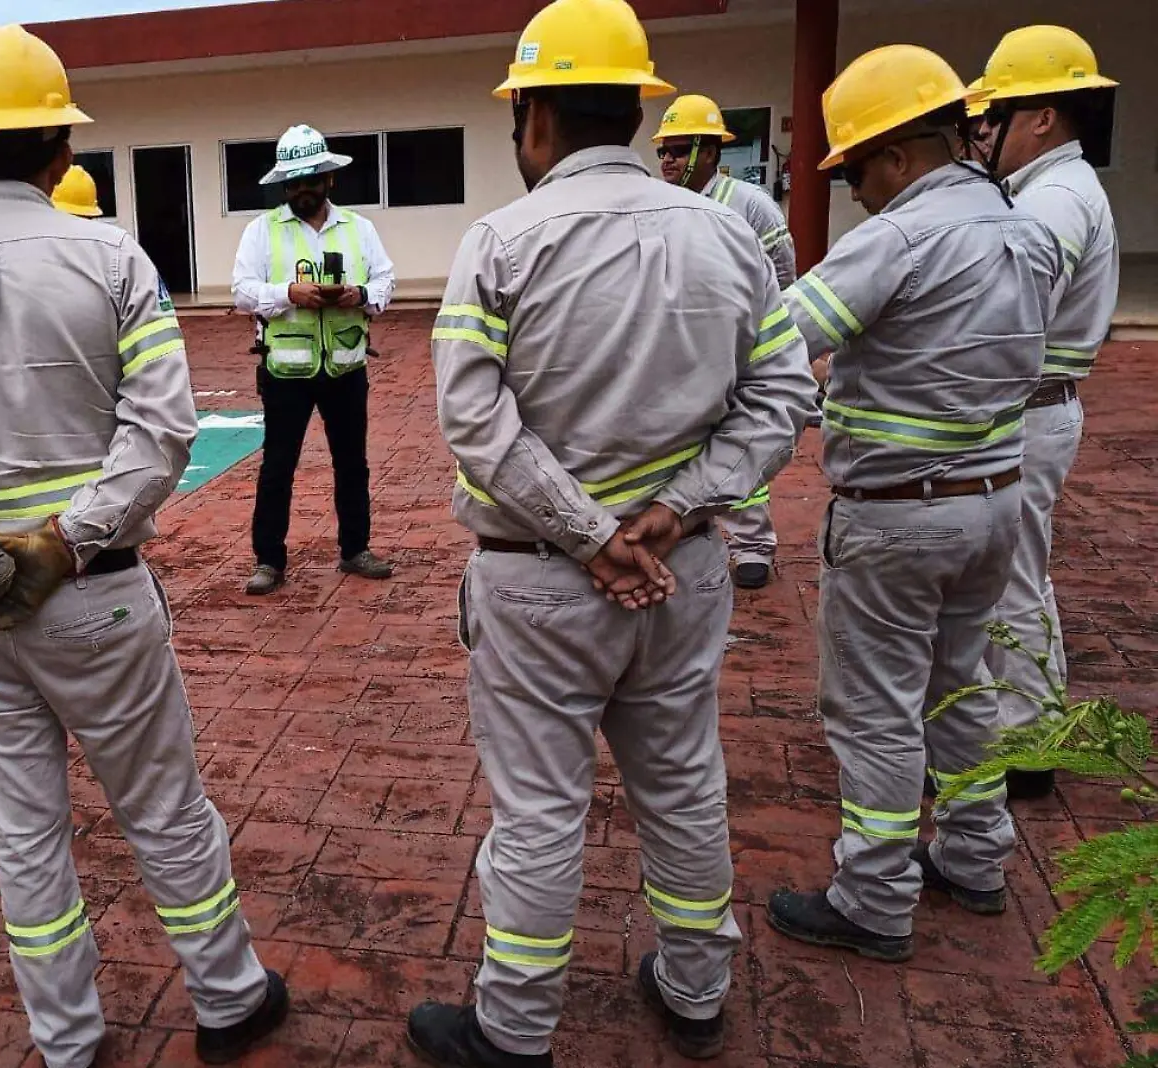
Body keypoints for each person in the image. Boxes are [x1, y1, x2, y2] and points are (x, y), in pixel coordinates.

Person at [0, 25, 286, 1068]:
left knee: (24, 828)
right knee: (163, 806)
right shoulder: (112, 258)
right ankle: (227, 1000)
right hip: (96, 596)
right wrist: (68, 543)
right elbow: (164, 430)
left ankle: (67, 1039)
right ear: (62, 154)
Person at [404, 1, 817, 1064]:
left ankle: (515, 1028)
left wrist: (587, 533)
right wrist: (677, 508)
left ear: (533, 116)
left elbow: (471, 418)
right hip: (680, 572)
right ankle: (694, 989)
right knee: (680, 778)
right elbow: (778, 399)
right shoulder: (727, 232)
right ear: (633, 109)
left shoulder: (499, 240)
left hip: (541, 581)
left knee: (539, 809)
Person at [764, 45, 1060, 963]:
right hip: (994, 503)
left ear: (896, 153)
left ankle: (874, 896)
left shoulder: (898, 238)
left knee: (875, 709)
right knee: (964, 689)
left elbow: (781, 337)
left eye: (853, 167)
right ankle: (974, 857)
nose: (853, 189)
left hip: (898, 516)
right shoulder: (1023, 228)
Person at [973, 25, 1120, 802]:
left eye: (997, 116)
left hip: (1026, 411)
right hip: (1037, 409)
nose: (984, 132)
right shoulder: (1051, 191)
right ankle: (1029, 731)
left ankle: (1024, 748)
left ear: (1043, 118)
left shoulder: (1055, 200)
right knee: (1019, 578)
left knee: (1010, 583)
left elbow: (1011, 309)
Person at [231, 124, 397, 596]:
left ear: (329, 179)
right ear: (284, 186)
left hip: (346, 367)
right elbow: (242, 292)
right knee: (278, 466)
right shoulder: (261, 232)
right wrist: (288, 293)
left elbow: (386, 281)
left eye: (311, 179)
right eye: (294, 182)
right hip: (287, 371)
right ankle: (268, 560)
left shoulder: (359, 229)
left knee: (353, 464)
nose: (302, 189)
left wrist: (360, 294)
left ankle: (355, 550)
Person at [653, 93, 798, 590]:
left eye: (679, 150)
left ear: (711, 152)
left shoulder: (748, 205)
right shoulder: (665, 205)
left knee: (742, 434)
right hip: (684, 344)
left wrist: (769, 331)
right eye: (663, 152)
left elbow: (783, 272)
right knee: (693, 439)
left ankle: (752, 544)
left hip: (738, 340)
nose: (668, 161)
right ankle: (687, 524)